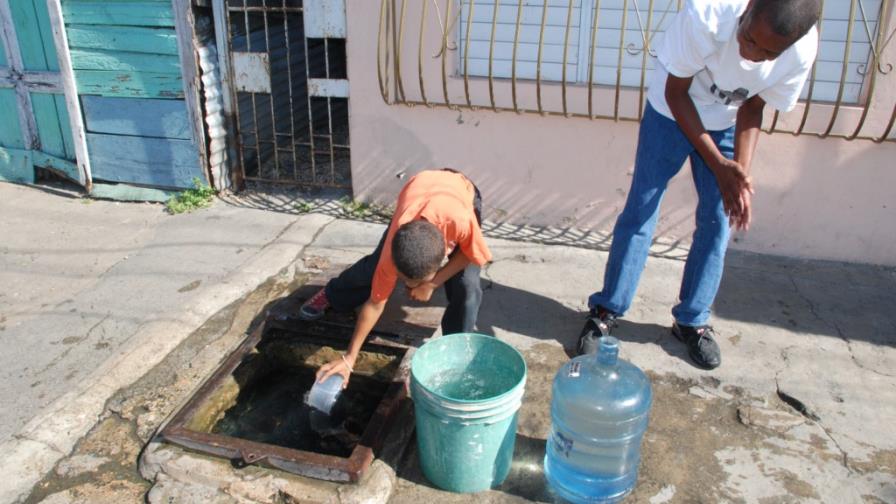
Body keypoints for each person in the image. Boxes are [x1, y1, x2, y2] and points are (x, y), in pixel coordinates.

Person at [578, 0, 820, 369]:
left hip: (726, 120)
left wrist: (737, 173)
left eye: (768, 52)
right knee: (641, 210)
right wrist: (718, 164)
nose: (751, 55)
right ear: (749, 7)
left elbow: (753, 107)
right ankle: (606, 310)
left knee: (717, 221)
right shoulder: (706, 14)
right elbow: (677, 94)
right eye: (749, 38)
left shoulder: (801, 49)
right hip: (670, 111)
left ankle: (692, 321)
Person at [300, 169, 491, 386]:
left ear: (440, 260)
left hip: (460, 191)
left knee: (467, 286)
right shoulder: (394, 249)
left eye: (413, 282)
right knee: (373, 268)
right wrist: (349, 357)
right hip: (419, 192)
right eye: (404, 280)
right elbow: (375, 304)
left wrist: (432, 283)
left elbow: (470, 254)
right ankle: (333, 294)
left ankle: (457, 347)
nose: (409, 287)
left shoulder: (462, 221)